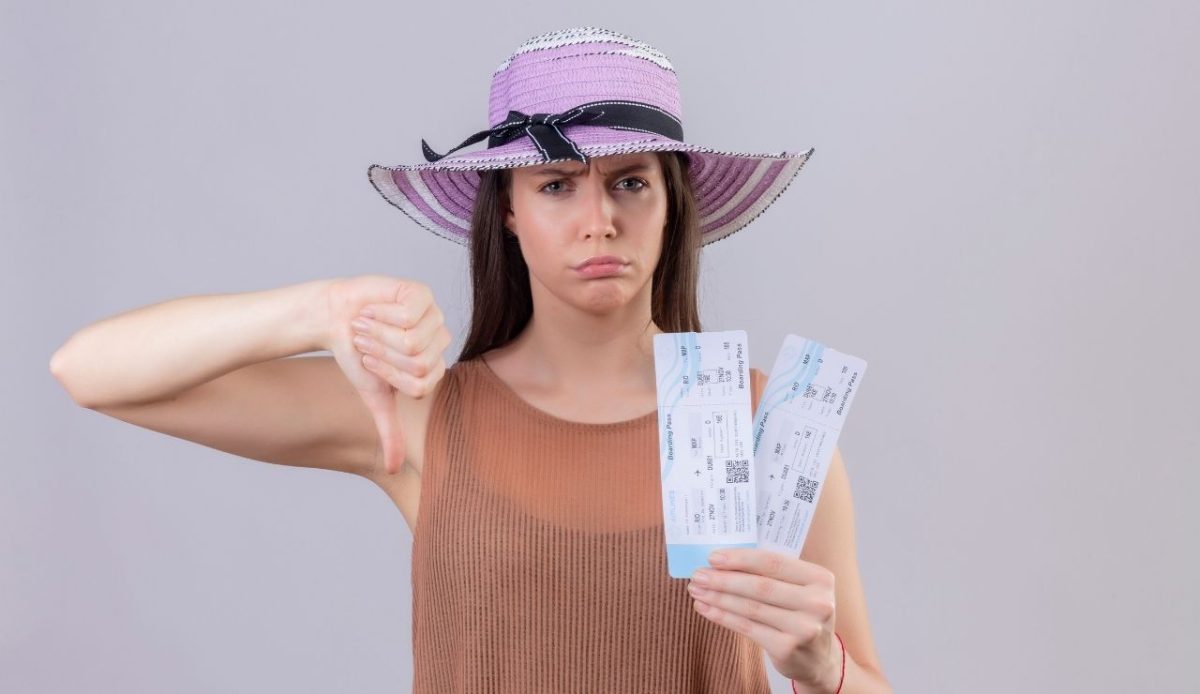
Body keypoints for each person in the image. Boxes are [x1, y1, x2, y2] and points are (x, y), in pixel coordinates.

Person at [49, 26, 891, 694]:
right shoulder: (419, 412)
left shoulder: (761, 423)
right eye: (556, 184)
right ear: (510, 213)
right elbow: (89, 370)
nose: (598, 218)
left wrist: (824, 672)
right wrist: (316, 309)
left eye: (631, 181)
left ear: (674, 205)